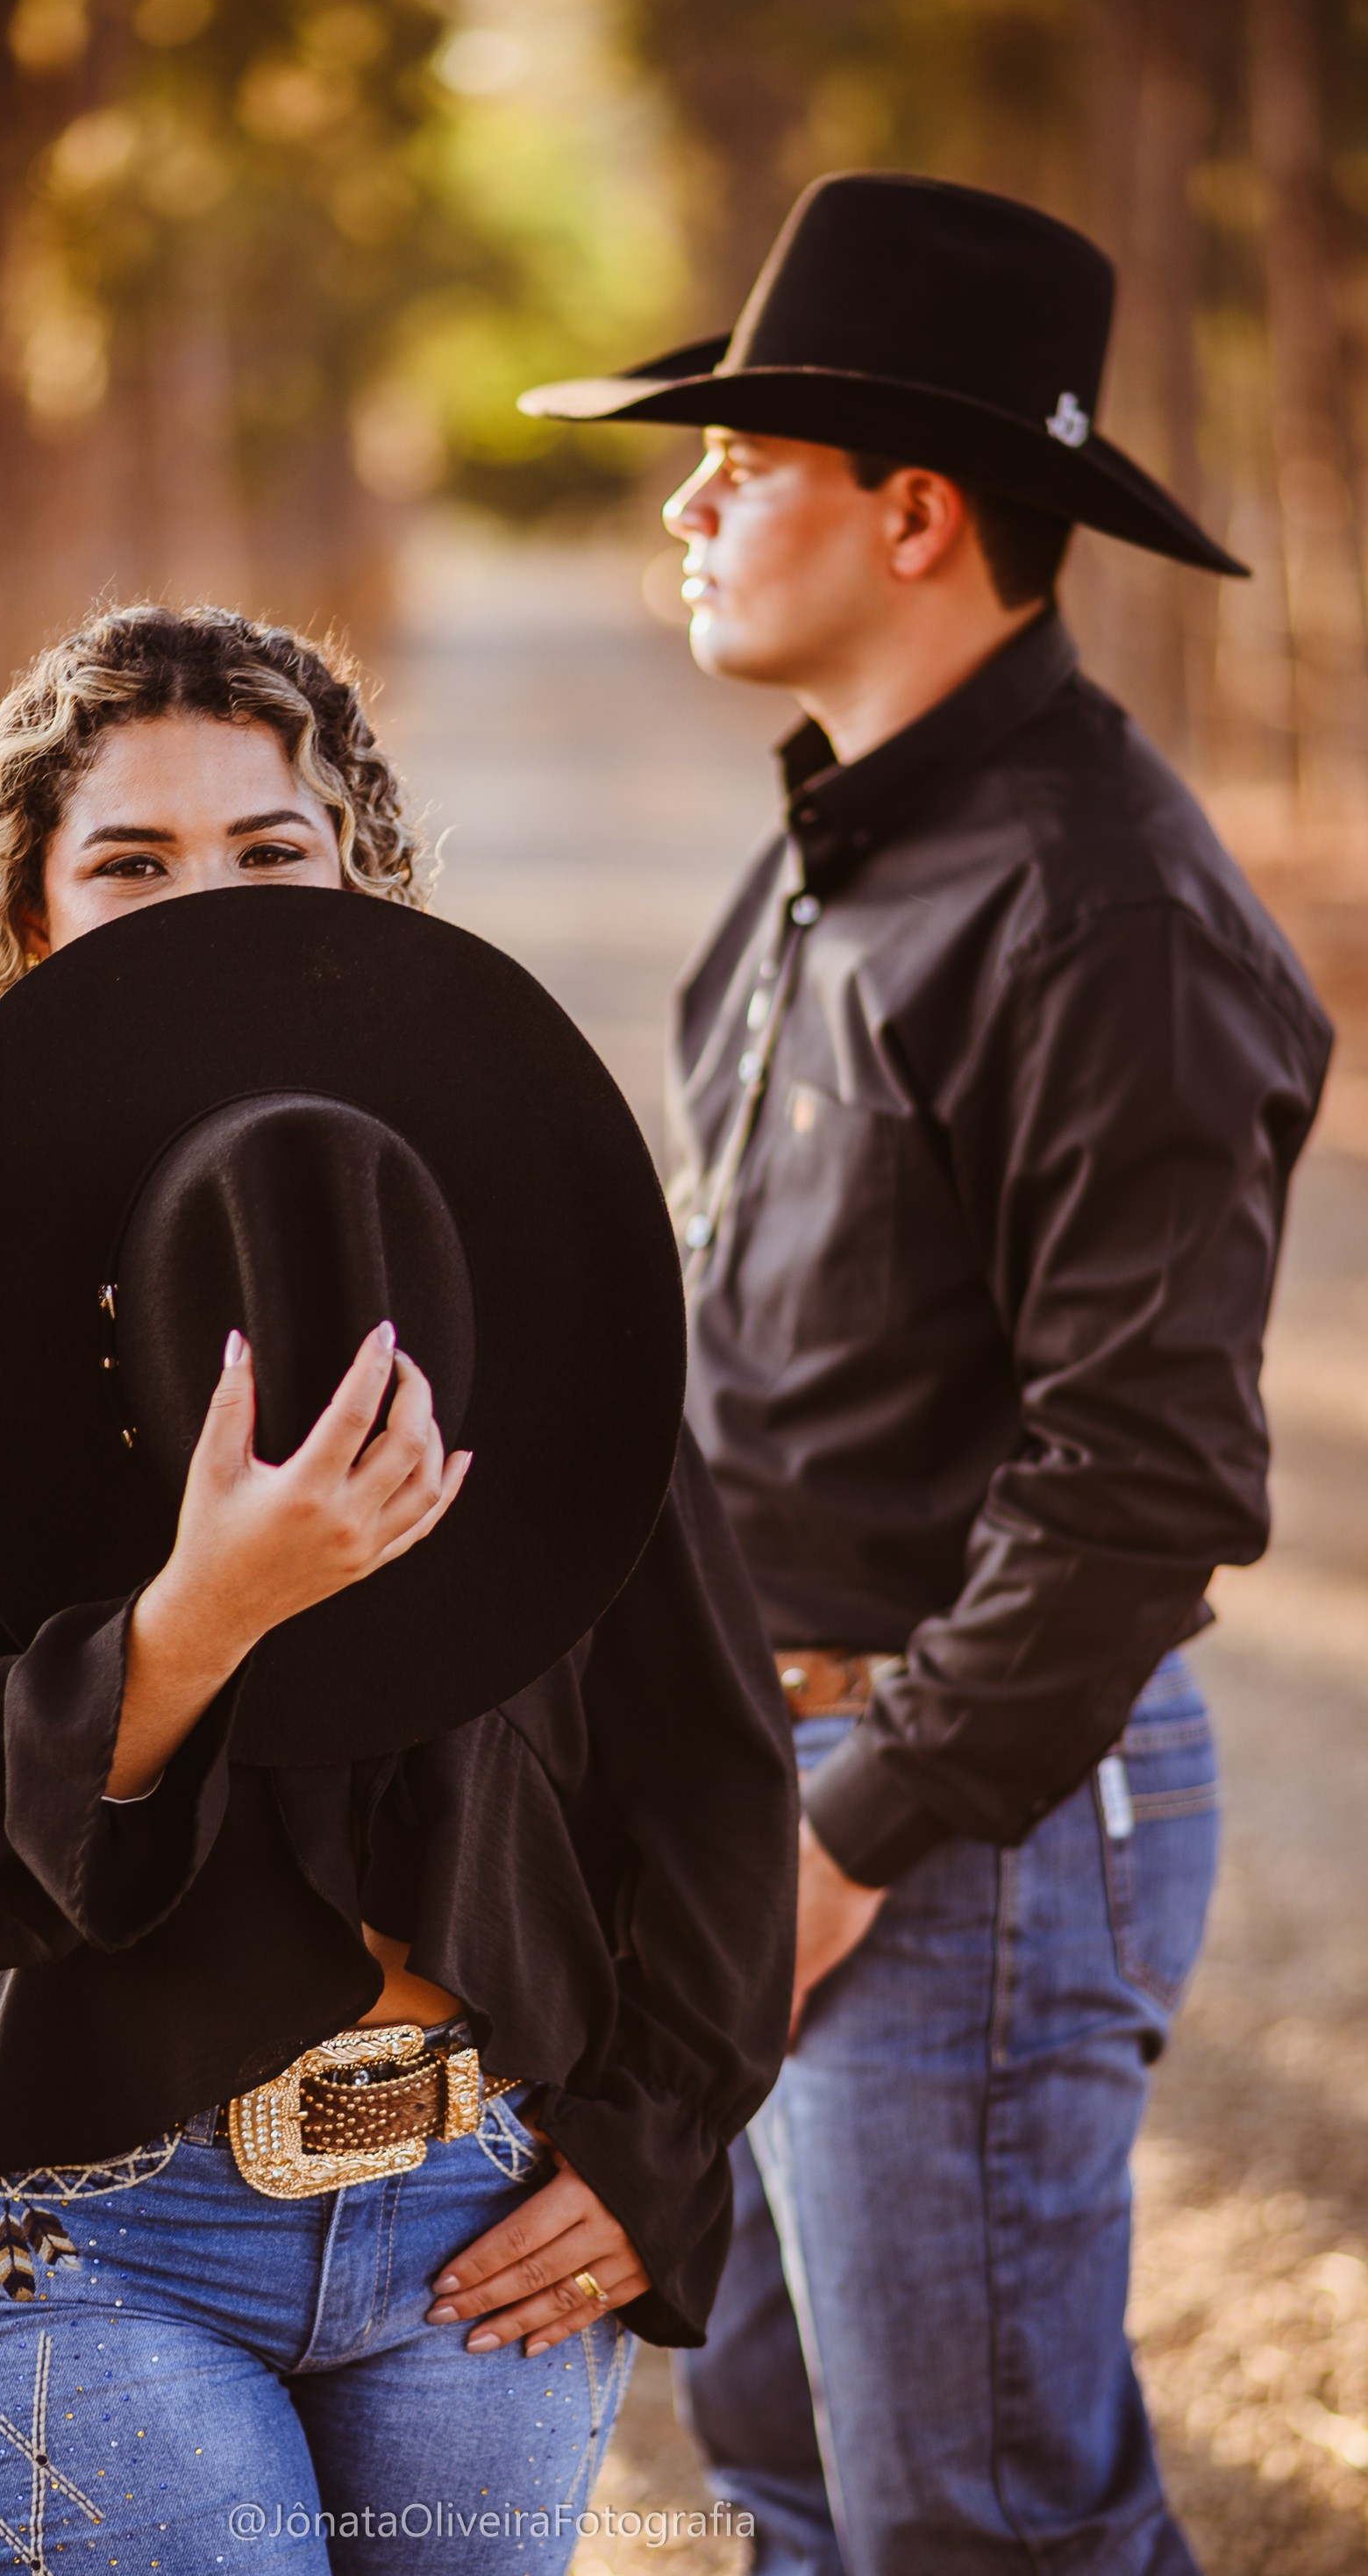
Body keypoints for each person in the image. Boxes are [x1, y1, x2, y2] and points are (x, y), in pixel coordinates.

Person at [0, 603, 797, 2576]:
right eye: (130, 861)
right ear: (35, 926)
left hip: (476, 2230)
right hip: (89, 2249)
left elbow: (709, 1770)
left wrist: (659, 2148)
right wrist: (192, 1619)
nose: (203, 897)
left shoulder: (542, 1324)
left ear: (354, 885)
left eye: (267, 848)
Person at [519, 172, 1333, 2573]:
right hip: (773, 1778)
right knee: (784, 2473)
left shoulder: (1107, 912)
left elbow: (1143, 1482)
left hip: (949, 1822)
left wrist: (843, 1850)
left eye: (740, 461)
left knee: (981, 2532)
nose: (686, 502)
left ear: (915, 511)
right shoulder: (833, 854)